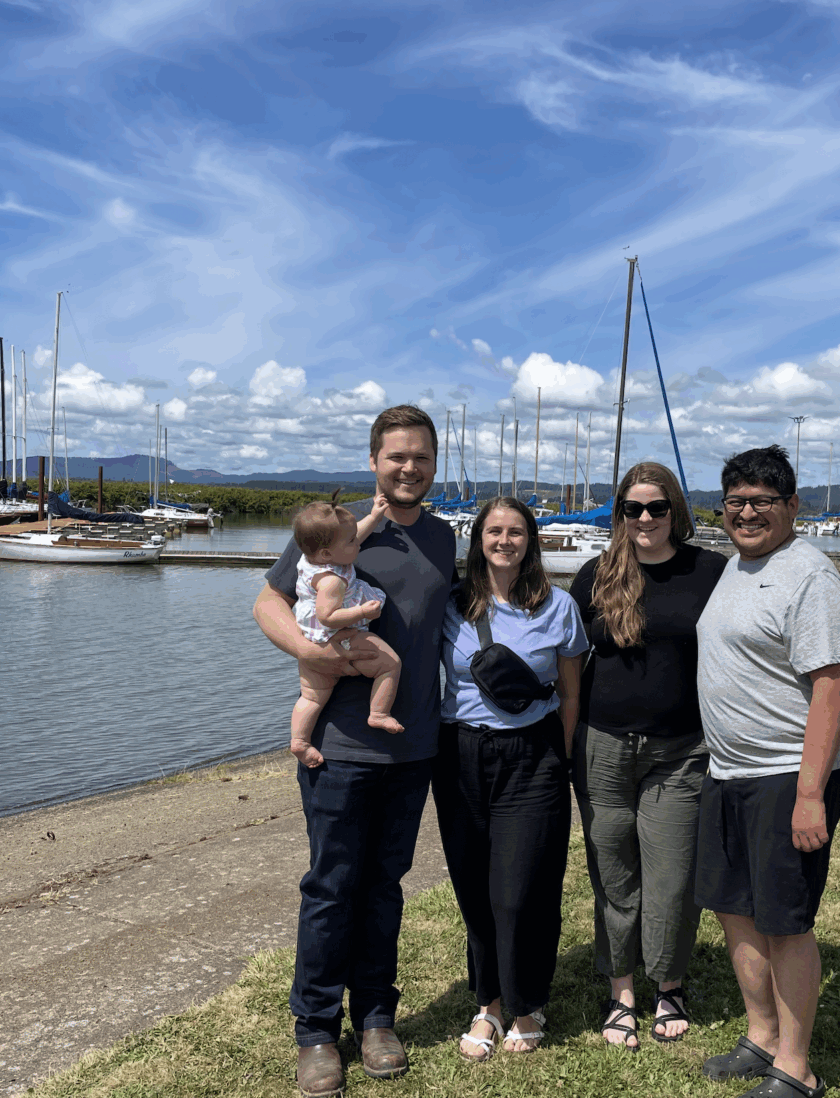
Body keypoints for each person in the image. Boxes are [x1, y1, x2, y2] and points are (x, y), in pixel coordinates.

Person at [252, 406, 456, 1098]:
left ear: (435, 463)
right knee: (331, 886)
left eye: (421, 457)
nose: (410, 468)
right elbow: (267, 605)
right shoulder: (335, 532)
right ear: (374, 461)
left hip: (413, 748)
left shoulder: (444, 538)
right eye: (397, 456)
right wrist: (311, 652)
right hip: (338, 750)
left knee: (384, 888)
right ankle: (315, 1029)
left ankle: (374, 1017)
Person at [695, 444, 840, 1098]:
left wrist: (809, 794)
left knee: (785, 920)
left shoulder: (810, 577)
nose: (747, 512)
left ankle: (797, 1067)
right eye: (736, 502)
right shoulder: (737, 567)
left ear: (792, 506)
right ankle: (762, 1036)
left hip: (789, 773)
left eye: (763, 501)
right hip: (729, 770)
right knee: (736, 909)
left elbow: (832, 689)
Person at [569, 462, 727, 1050]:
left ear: (674, 511)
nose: (644, 519)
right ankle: (623, 991)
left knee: (673, 875)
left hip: (682, 749)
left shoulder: (708, 571)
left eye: (656, 508)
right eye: (633, 508)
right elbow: (565, 659)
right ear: (619, 514)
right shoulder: (594, 574)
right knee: (614, 875)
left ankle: (670, 985)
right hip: (603, 746)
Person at [433, 497, 587, 1062]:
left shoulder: (559, 607)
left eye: (516, 531)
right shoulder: (453, 604)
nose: (505, 540)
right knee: (475, 889)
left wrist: (561, 757)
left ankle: (528, 1003)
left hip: (534, 755)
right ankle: (490, 1002)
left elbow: (570, 692)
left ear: (531, 541)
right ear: (478, 540)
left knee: (521, 891)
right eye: (494, 531)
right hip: (460, 755)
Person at [289, 491, 404, 768]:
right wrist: (362, 612)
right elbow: (328, 616)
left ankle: (300, 741)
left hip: (311, 641)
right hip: (340, 634)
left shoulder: (313, 560)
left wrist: (375, 515)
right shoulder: (332, 581)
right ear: (329, 553)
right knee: (390, 663)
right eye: (352, 541)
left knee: (311, 695)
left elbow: (354, 534)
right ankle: (378, 712)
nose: (358, 543)